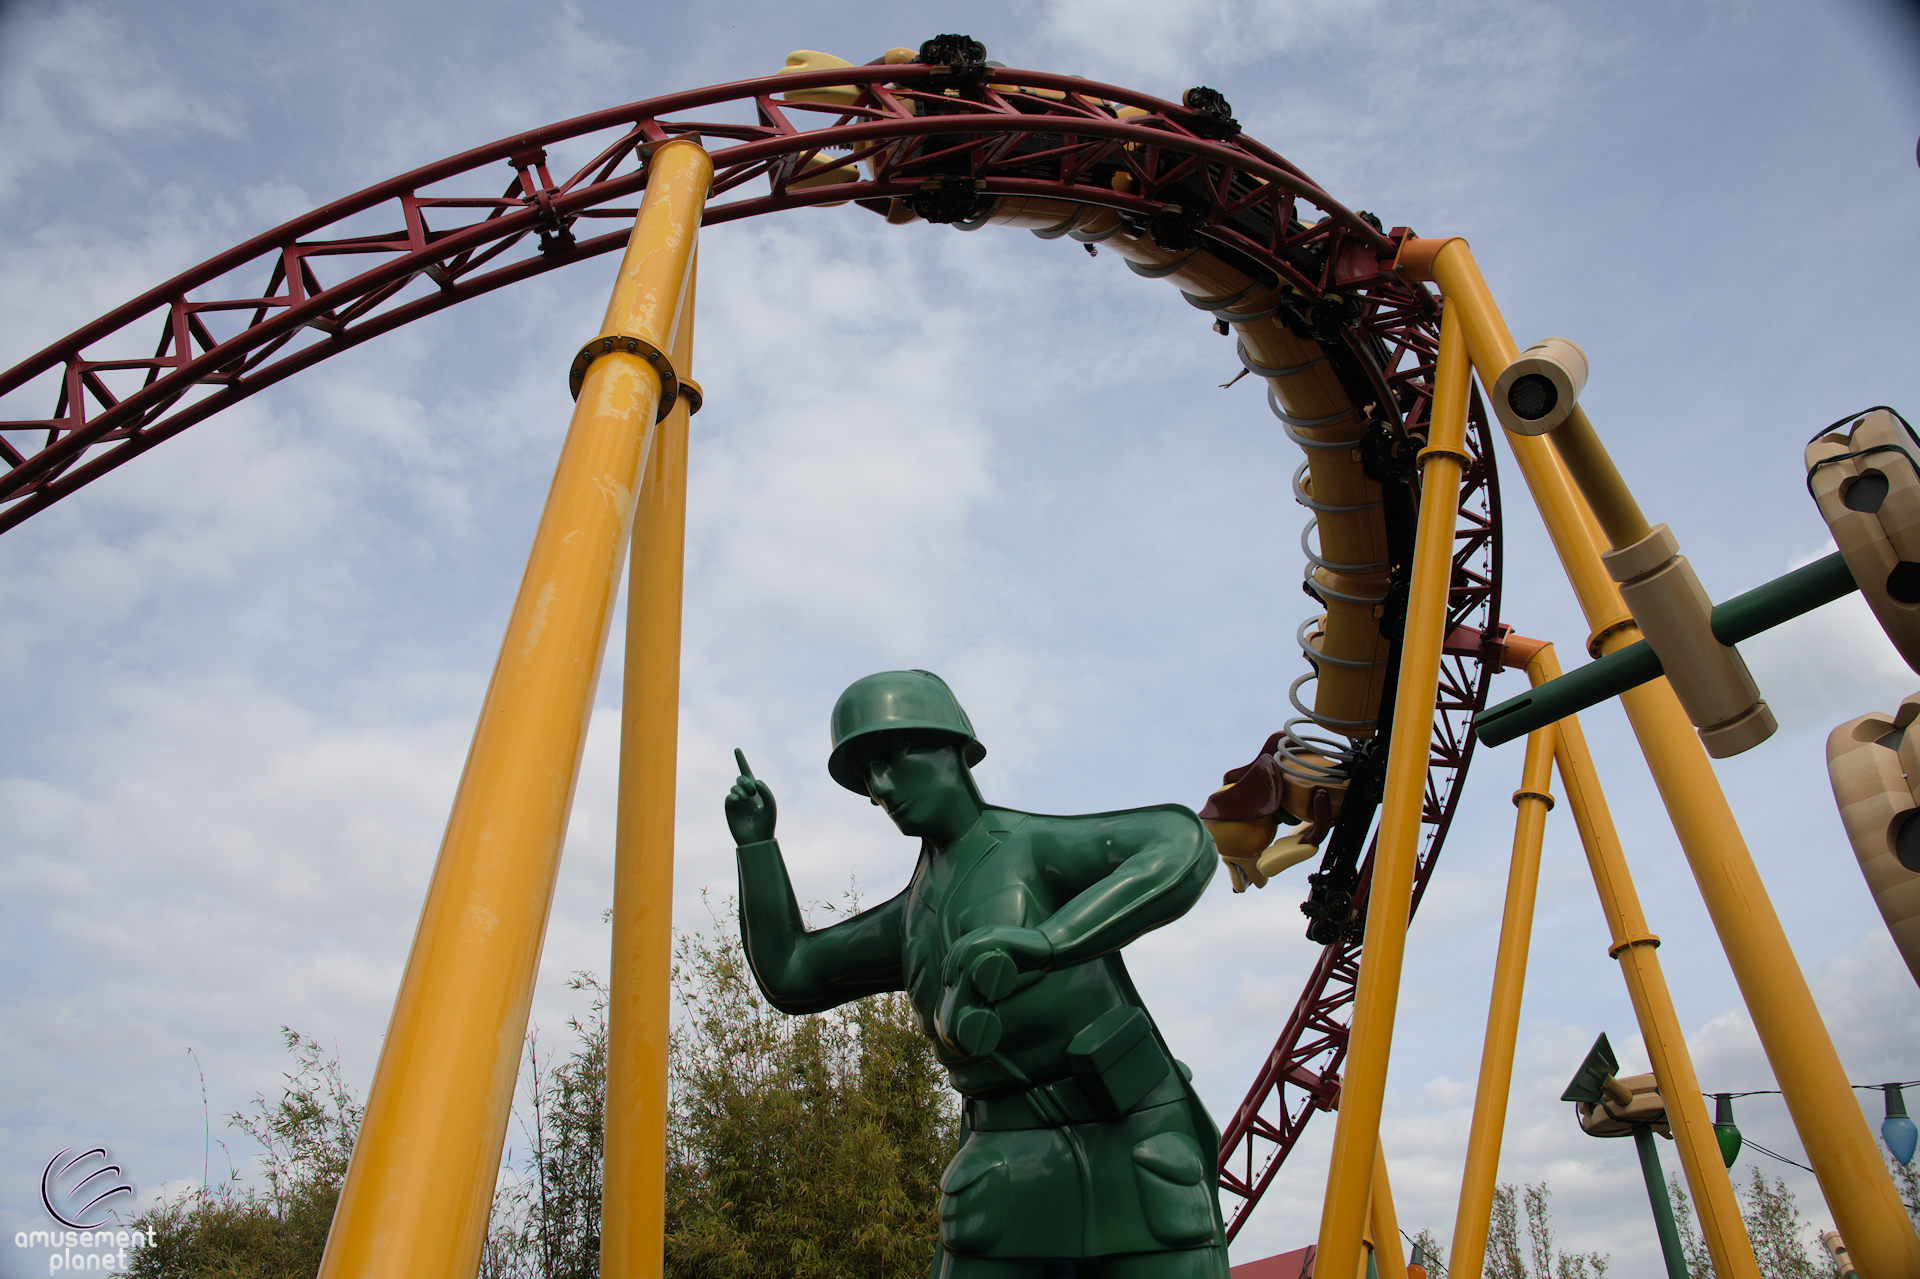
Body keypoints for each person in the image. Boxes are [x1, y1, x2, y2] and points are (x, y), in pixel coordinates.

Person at [725, 670, 1228, 1279]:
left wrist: (1051, 940)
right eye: (865, 775)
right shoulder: (911, 917)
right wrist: (756, 846)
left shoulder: (1030, 848)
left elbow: (1182, 843)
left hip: (1137, 1150)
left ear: (953, 748)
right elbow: (792, 972)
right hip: (1002, 1171)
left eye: (893, 757)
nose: (881, 787)